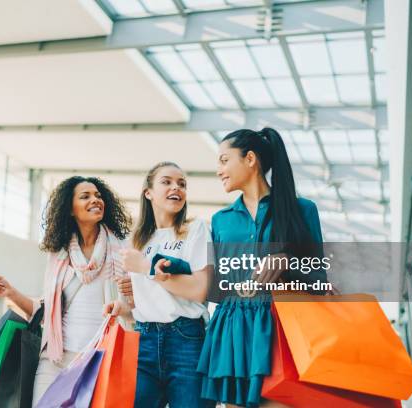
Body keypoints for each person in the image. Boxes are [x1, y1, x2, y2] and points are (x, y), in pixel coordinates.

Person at [197, 128, 327, 408]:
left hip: (282, 329)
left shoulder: (302, 210)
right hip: (233, 331)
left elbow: (319, 278)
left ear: (250, 159)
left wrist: (288, 261)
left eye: (223, 160)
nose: (219, 170)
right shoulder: (221, 220)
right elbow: (219, 284)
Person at [0, 176, 131, 406]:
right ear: (70, 209)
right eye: (85, 196)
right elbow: (46, 310)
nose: (95, 200)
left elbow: (132, 309)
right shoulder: (59, 255)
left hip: (98, 360)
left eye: (98, 195)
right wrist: (11, 292)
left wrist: (129, 301)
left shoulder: (120, 250)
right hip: (55, 360)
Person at [104, 162, 214, 408]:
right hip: (144, 339)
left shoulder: (195, 229)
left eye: (182, 184)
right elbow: (149, 302)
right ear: (148, 192)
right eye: (167, 182)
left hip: (186, 340)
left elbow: (200, 290)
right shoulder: (137, 239)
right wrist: (124, 308)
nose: (176, 188)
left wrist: (145, 268)